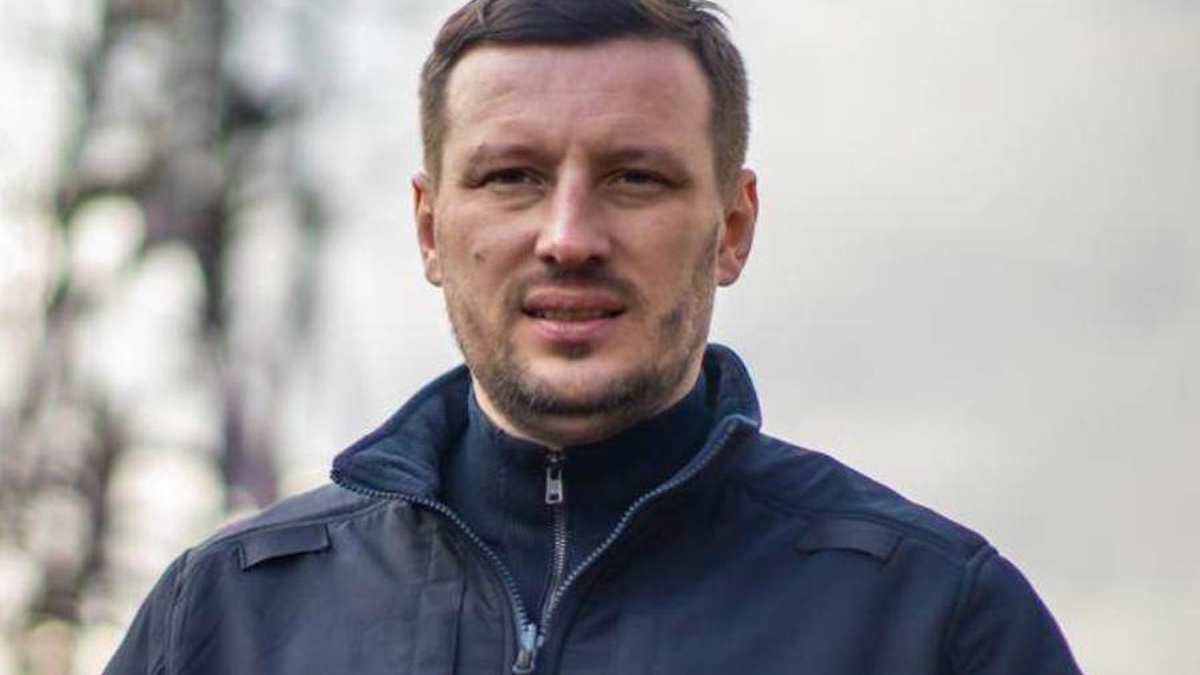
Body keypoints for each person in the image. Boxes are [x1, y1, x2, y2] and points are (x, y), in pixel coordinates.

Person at [104, 1, 1083, 673]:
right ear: (430, 228)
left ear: (732, 227)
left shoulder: (931, 621)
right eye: (512, 178)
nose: (569, 237)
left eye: (635, 178)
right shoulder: (226, 621)